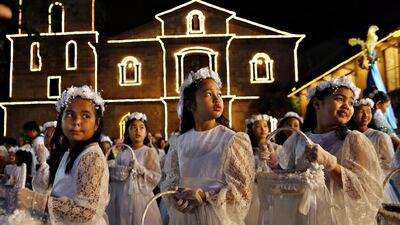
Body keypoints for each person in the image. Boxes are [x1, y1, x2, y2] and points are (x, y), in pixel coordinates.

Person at [279, 77, 383, 225]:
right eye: (340, 99)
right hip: (303, 216)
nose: (347, 106)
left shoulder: (353, 140)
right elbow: (286, 181)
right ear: (316, 103)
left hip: (338, 218)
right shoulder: (298, 140)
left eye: (351, 102)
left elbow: (364, 191)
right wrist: (271, 163)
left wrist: (330, 164)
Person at [161, 67, 255, 225]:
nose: (217, 99)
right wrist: (175, 196)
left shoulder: (232, 139)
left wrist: (205, 196)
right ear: (190, 105)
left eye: (219, 94)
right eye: (209, 94)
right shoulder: (179, 141)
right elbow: (171, 180)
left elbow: (242, 190)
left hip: (216, 216)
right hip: (185, 217)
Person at [16, 85, 109, 225]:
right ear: (61, 120)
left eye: (85, 116)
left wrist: (36, 200)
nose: (77, 122)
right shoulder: (70, 153)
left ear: (96, 124)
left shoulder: (91, 156)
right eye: (70, 114)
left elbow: (86, 212)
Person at [106, 112, 162, 225]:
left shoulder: (149, 152)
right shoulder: (123, 151)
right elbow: (117, 170)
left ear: (146, 132)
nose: (138, 131)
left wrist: (139, 168)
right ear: (127, 132)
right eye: (133, 128)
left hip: (139, 195)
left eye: (141, 128)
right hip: (121, 194)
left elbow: (155, 176)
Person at [348, 97, 398, 204]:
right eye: (361, 112)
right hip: (355, 186)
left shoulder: (380, 137)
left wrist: (369, 175)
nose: (365, 115)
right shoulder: (348, 136)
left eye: (368, 111)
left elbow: (390, 165)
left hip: (377, 186)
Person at [244, 114, 280, 225]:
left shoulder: (276, 148)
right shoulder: (248, 149)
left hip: (273, 187)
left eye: (265, 126)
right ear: (252, 130)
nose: (263, 129)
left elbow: (281, 167)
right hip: (255, 189)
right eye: (258, 127)